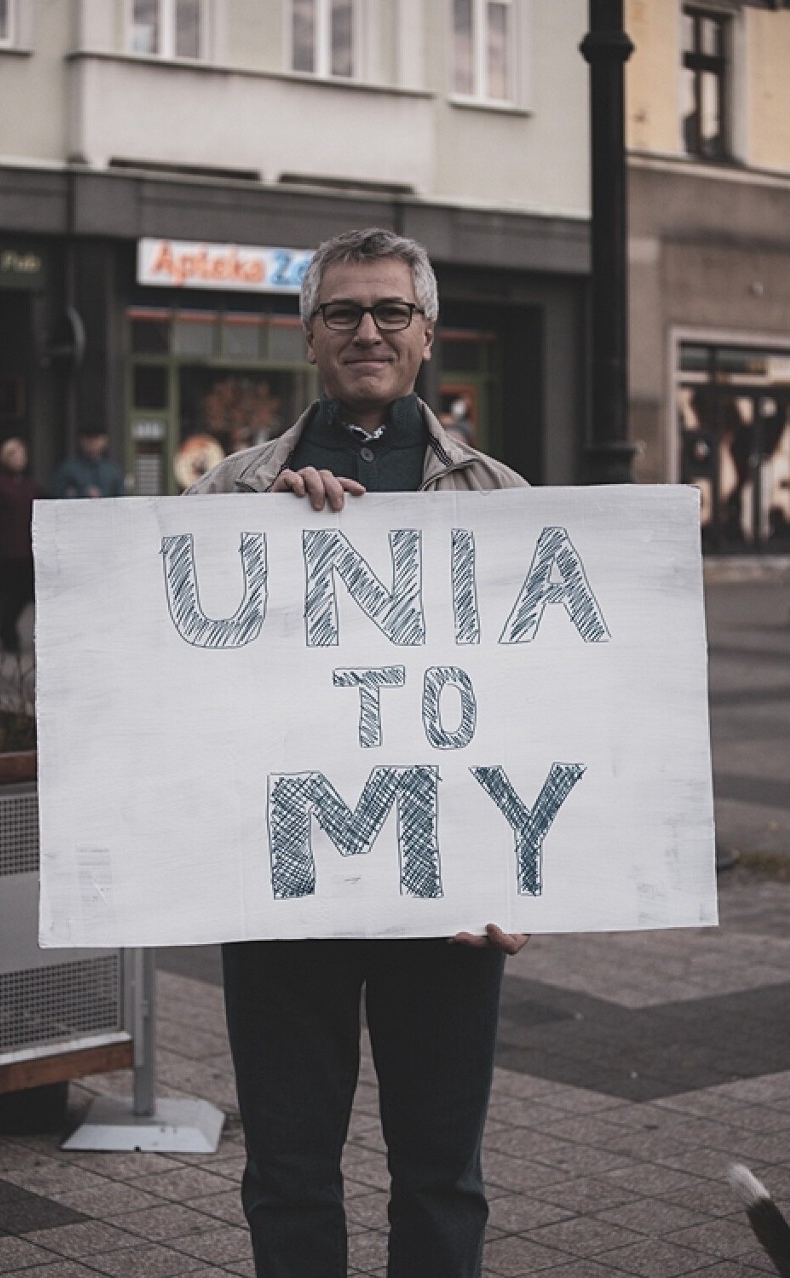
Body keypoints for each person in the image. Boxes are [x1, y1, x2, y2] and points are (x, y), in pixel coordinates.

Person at [188, 227, 530, 1278]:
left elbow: (537, 706)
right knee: (288, 1167)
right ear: (308, 337)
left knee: (440, 1170)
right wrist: (273, 547)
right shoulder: (235, 494)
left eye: (390, 310)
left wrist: (526, 876)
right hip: (284, 884)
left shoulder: (505, 501)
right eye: (342, 311)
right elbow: (191, 691)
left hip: (449, 893)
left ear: (427, 335)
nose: (367, 329)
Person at [0, 437, 43, 654]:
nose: (20, 459)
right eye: (15, 455)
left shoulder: (28, 483)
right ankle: (7, 632)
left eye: (22, 455)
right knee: (11, 592)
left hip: (27, 546)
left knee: (24, 592)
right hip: (6, 549)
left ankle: (6, 628)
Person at [50, 427, 124, 499]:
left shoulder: (112, 470)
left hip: (107, 510)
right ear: (81, 441)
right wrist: (82, 493)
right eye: (88, 439)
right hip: (76, 510)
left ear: (105, 441)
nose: (92, 443)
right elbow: (56, 495)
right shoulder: (68, 469)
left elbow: (120, 498)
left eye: (96, 438)